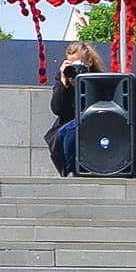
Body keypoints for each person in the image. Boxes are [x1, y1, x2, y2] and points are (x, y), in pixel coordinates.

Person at [46, 40, 102, 175]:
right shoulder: (63, 80)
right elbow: (57, 109)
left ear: (88, 63)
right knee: (72, 129)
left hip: (94, 124)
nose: (74, 69)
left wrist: (84, 83)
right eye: (71, 65)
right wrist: (64, 83)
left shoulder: (98, 80)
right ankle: (72, 170)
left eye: (77, 64)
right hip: (68, 127)